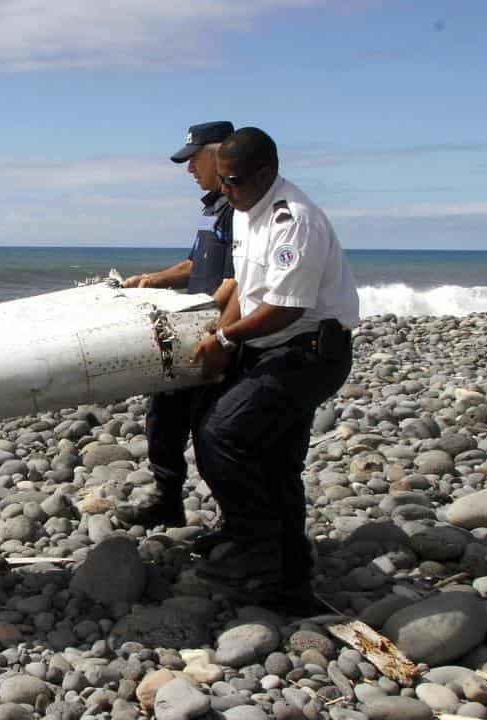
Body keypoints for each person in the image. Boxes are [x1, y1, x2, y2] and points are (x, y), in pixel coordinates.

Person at [189, 128, 359, 607]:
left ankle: (259, 557)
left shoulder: (294, 221)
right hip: (272, 347)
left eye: (234, 181)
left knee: (224, 434)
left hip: (309, 352)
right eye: (221, 179)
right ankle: (288, 574)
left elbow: (285, 307)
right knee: (271, 457)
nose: (224, 190)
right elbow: (245, 287)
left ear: (267, 174)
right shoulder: (246, 210)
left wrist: (224, 339)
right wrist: (220, 337)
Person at [116, 121, 237, 530]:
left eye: (194, 161)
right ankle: (167, 499)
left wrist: (211, 332)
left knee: (213, 433)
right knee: (164, 415)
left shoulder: (242, 210)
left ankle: (235, 522)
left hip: (220, 335)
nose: (189, 171)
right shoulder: (217, 208)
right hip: (197, 328)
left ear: (221, 156)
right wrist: (150, 280)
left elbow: (239, 282)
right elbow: (195, 265)